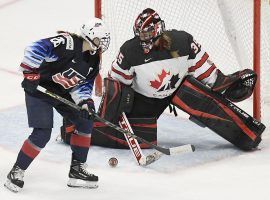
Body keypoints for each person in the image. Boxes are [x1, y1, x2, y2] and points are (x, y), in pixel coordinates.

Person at [62, 8, 265, 152]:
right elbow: (114, 82)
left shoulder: (183, 42)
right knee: (144, 141)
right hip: (144, 100)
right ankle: (72, 129)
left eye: (148, 32)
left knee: (203, 98)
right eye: (140, 33)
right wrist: (111, 116)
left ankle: (248, 134)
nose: (144, 37)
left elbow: (206, 70)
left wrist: (223, 84)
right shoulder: (130, 51)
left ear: (159, 29)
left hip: (177, 92)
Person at [4, 18, 110, 192]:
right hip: (39, 90)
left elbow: (82, 85)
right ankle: (17, 170)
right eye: (101, 39)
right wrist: (30, 72)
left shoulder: (93, 61)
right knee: (42, 133)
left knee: (85, 122)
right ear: (90, 36)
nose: (103, 43)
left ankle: (77, 170)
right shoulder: (67, 43)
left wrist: (85, 102)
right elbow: (34, 48)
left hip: (62, 93)